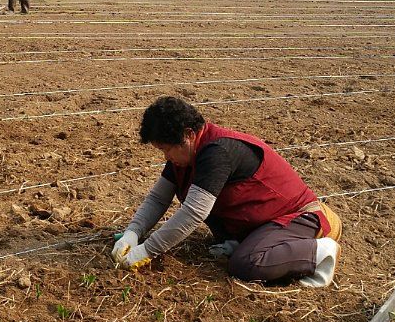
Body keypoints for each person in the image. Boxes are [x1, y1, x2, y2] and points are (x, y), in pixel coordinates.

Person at [112, 97, 342, 288]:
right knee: (226, 234)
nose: (166, 157)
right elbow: (158, 198)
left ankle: (320, 252)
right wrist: (133, 232)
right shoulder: (185, 156)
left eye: (167, 149)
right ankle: (243, 242)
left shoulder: (217, 152)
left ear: (188, 135)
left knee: (247, 264)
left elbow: (193, 212)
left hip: (298, 217)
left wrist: (146, 250)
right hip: (262, 223)